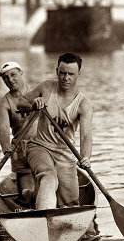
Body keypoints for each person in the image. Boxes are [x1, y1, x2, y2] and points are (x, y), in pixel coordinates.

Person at [16, 53, 93, 210]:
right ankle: (42, 216)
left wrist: (85, 157)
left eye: (71, 74)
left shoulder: (83, 104)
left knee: (70, 204)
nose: (66, 78)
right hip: (39, 147)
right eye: (62, 73)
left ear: (79, 74)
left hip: (65, 153)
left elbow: (85, 136)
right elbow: (20, 103)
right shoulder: (46, 88)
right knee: (49, 177)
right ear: (57, 71)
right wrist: (33, 105)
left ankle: (31, 197)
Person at [0, 61, 37, 202]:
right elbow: (3, 129)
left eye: (13, 75)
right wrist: (6, 147)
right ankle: (31, 196)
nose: (10, 80)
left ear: (21, 73)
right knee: (27, 195)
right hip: (21, 151)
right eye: (6, 77)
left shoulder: (39, 93)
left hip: (44, 145)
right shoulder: (3, 104)